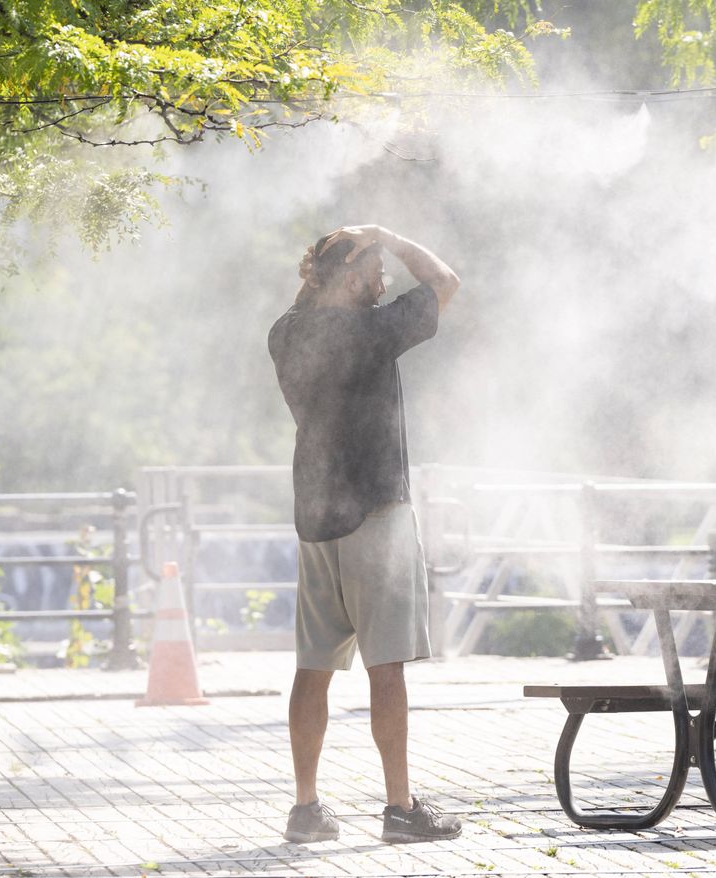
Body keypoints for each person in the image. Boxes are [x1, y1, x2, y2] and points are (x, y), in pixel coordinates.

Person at [268, 224, 461, 844]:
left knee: (313, 665)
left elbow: (312, 297)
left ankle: (306, 809)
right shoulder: (369, 331)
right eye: (376, 272)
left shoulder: (286, 332)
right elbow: (445, 281)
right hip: (376, 514)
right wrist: (385, 233)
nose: (386, 283)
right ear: (351, 279)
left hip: (317, 517)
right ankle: (401, 810)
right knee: (387, 665)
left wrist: (338, 256)